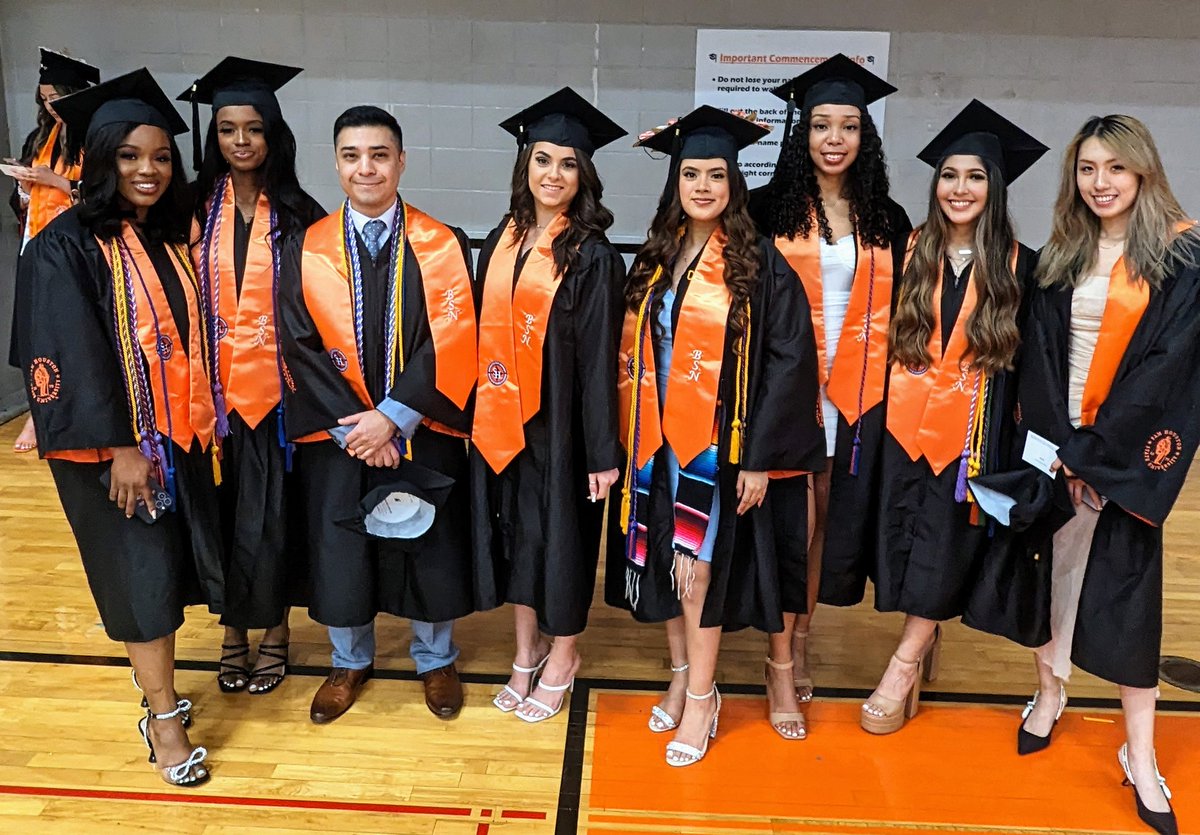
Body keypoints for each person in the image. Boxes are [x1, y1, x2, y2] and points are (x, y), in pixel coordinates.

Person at [973, 115, 1200, 835]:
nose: (1101, 183)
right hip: (1057, 450)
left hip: (1119, 459)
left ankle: (1140, 752)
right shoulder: (1059, 257)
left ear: (1143, 174)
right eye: (1087, 169)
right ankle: (1049, 695)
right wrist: (1056, 449)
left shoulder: (1180, 256)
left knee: (1130, 603)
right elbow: (1036, 360)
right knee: (1051, 583)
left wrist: (1097, 452)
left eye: (1116, 169)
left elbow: (1168, 370)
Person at [13, 68, 222, 787]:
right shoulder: (64, 245)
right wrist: (123, 449)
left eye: (161, 156)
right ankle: (163, 715)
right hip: (114, 453)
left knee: (163, 575)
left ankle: (162, 691)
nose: (148, 169)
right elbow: (68, 348)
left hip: (176, 440)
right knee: (141, 583)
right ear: (101, 158)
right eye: (130, 155)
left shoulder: (165, 236)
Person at [606, 106, 824, 764]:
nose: (702, 185)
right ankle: (680, 673)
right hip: (653, 442)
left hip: (713, 446)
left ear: (735, 182)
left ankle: (702, 697)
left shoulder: (757, 264)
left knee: (697, 568)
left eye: (716, 173)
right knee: (664, 564)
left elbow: (790, 361)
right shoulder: (654, 257)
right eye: (690, 172)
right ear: (675, 180)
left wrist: (759, 457)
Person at [278, 105, 479, 724]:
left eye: (379, 154)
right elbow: (297, 342)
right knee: (343, 545)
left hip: (418, 426)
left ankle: (435, 658)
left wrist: (392, 418)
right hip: (340, 435)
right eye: (351, 156)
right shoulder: (307, 246)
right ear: (336, 162)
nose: (366, 168)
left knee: (429, 542)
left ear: (401, 160)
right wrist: (354, 426)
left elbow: (451, 337)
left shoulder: (441, 242)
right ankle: (348, 659)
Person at [859, 100, 1047, 735]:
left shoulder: (1025, 268)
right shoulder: (906, 251)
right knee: (902, 544)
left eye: (975, 176)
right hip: (900, 430)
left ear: (995, 189)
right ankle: (923, 632)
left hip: (974, 436)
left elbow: (1035, 371)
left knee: (944, 545)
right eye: (949, 174)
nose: (959, 188)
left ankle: (904, 662)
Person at [752, 53, 911, 705]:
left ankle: (804, 632)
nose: (835, 138)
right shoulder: (764, 211)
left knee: (823, 520)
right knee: (792, 520)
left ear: (864, 137)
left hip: (855, 392)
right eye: (822, 125)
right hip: (785, 389)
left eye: (849, 125)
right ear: (803, 133)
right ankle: (779, 656)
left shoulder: (887, 219)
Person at [472, 88, 626, 723]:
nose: (553, 175)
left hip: (562, 425)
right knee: (517, 538)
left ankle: (563, 655)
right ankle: (524, 650)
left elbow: (599, 361)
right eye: (542, 160)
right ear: (524, 167)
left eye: (567, 164)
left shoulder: (592, 254)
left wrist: (600, 450)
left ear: (584, 174)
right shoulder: (499, 239)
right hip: (504, 419)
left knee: (560, 542)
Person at [181, 57, 326, 697]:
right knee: (218, 515)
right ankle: (231, 633)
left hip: (277, 401)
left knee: (273, 519)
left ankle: (273, 633)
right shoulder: (187, 210)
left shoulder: (301, 211)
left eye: (253, 128)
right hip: (208, 400)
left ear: (273, 134)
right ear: (212, 138)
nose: (241, 141)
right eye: (227, 130)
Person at [7, 48, 99, 453]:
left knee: (73, 333)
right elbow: (24, 204)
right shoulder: (39, 138)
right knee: (34, 333)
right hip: (38, 245)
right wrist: (25, 187)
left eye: (57, 97)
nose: (51, 106)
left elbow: (102, 198)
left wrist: (57, 182)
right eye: (44, 98)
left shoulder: (94, 138)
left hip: (80, 252)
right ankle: (36, 410)